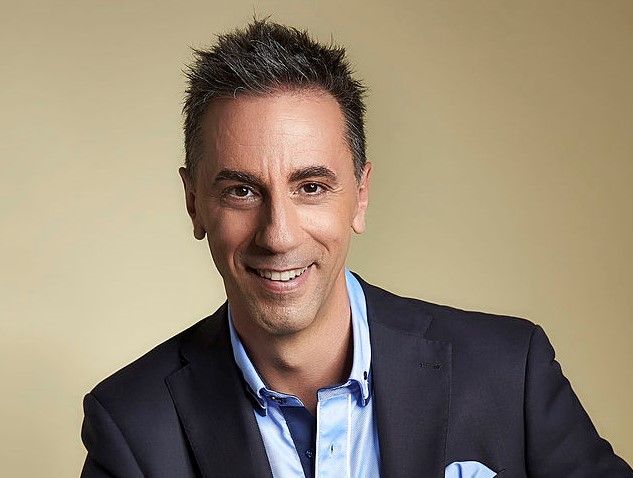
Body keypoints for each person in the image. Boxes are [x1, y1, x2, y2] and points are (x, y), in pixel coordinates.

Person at [80, 20, 632, 478]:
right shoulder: (131, 426)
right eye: (242, 191)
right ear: (194, 203)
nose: (279, 235)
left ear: (360, 196)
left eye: (311, 187)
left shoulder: (509, 371)